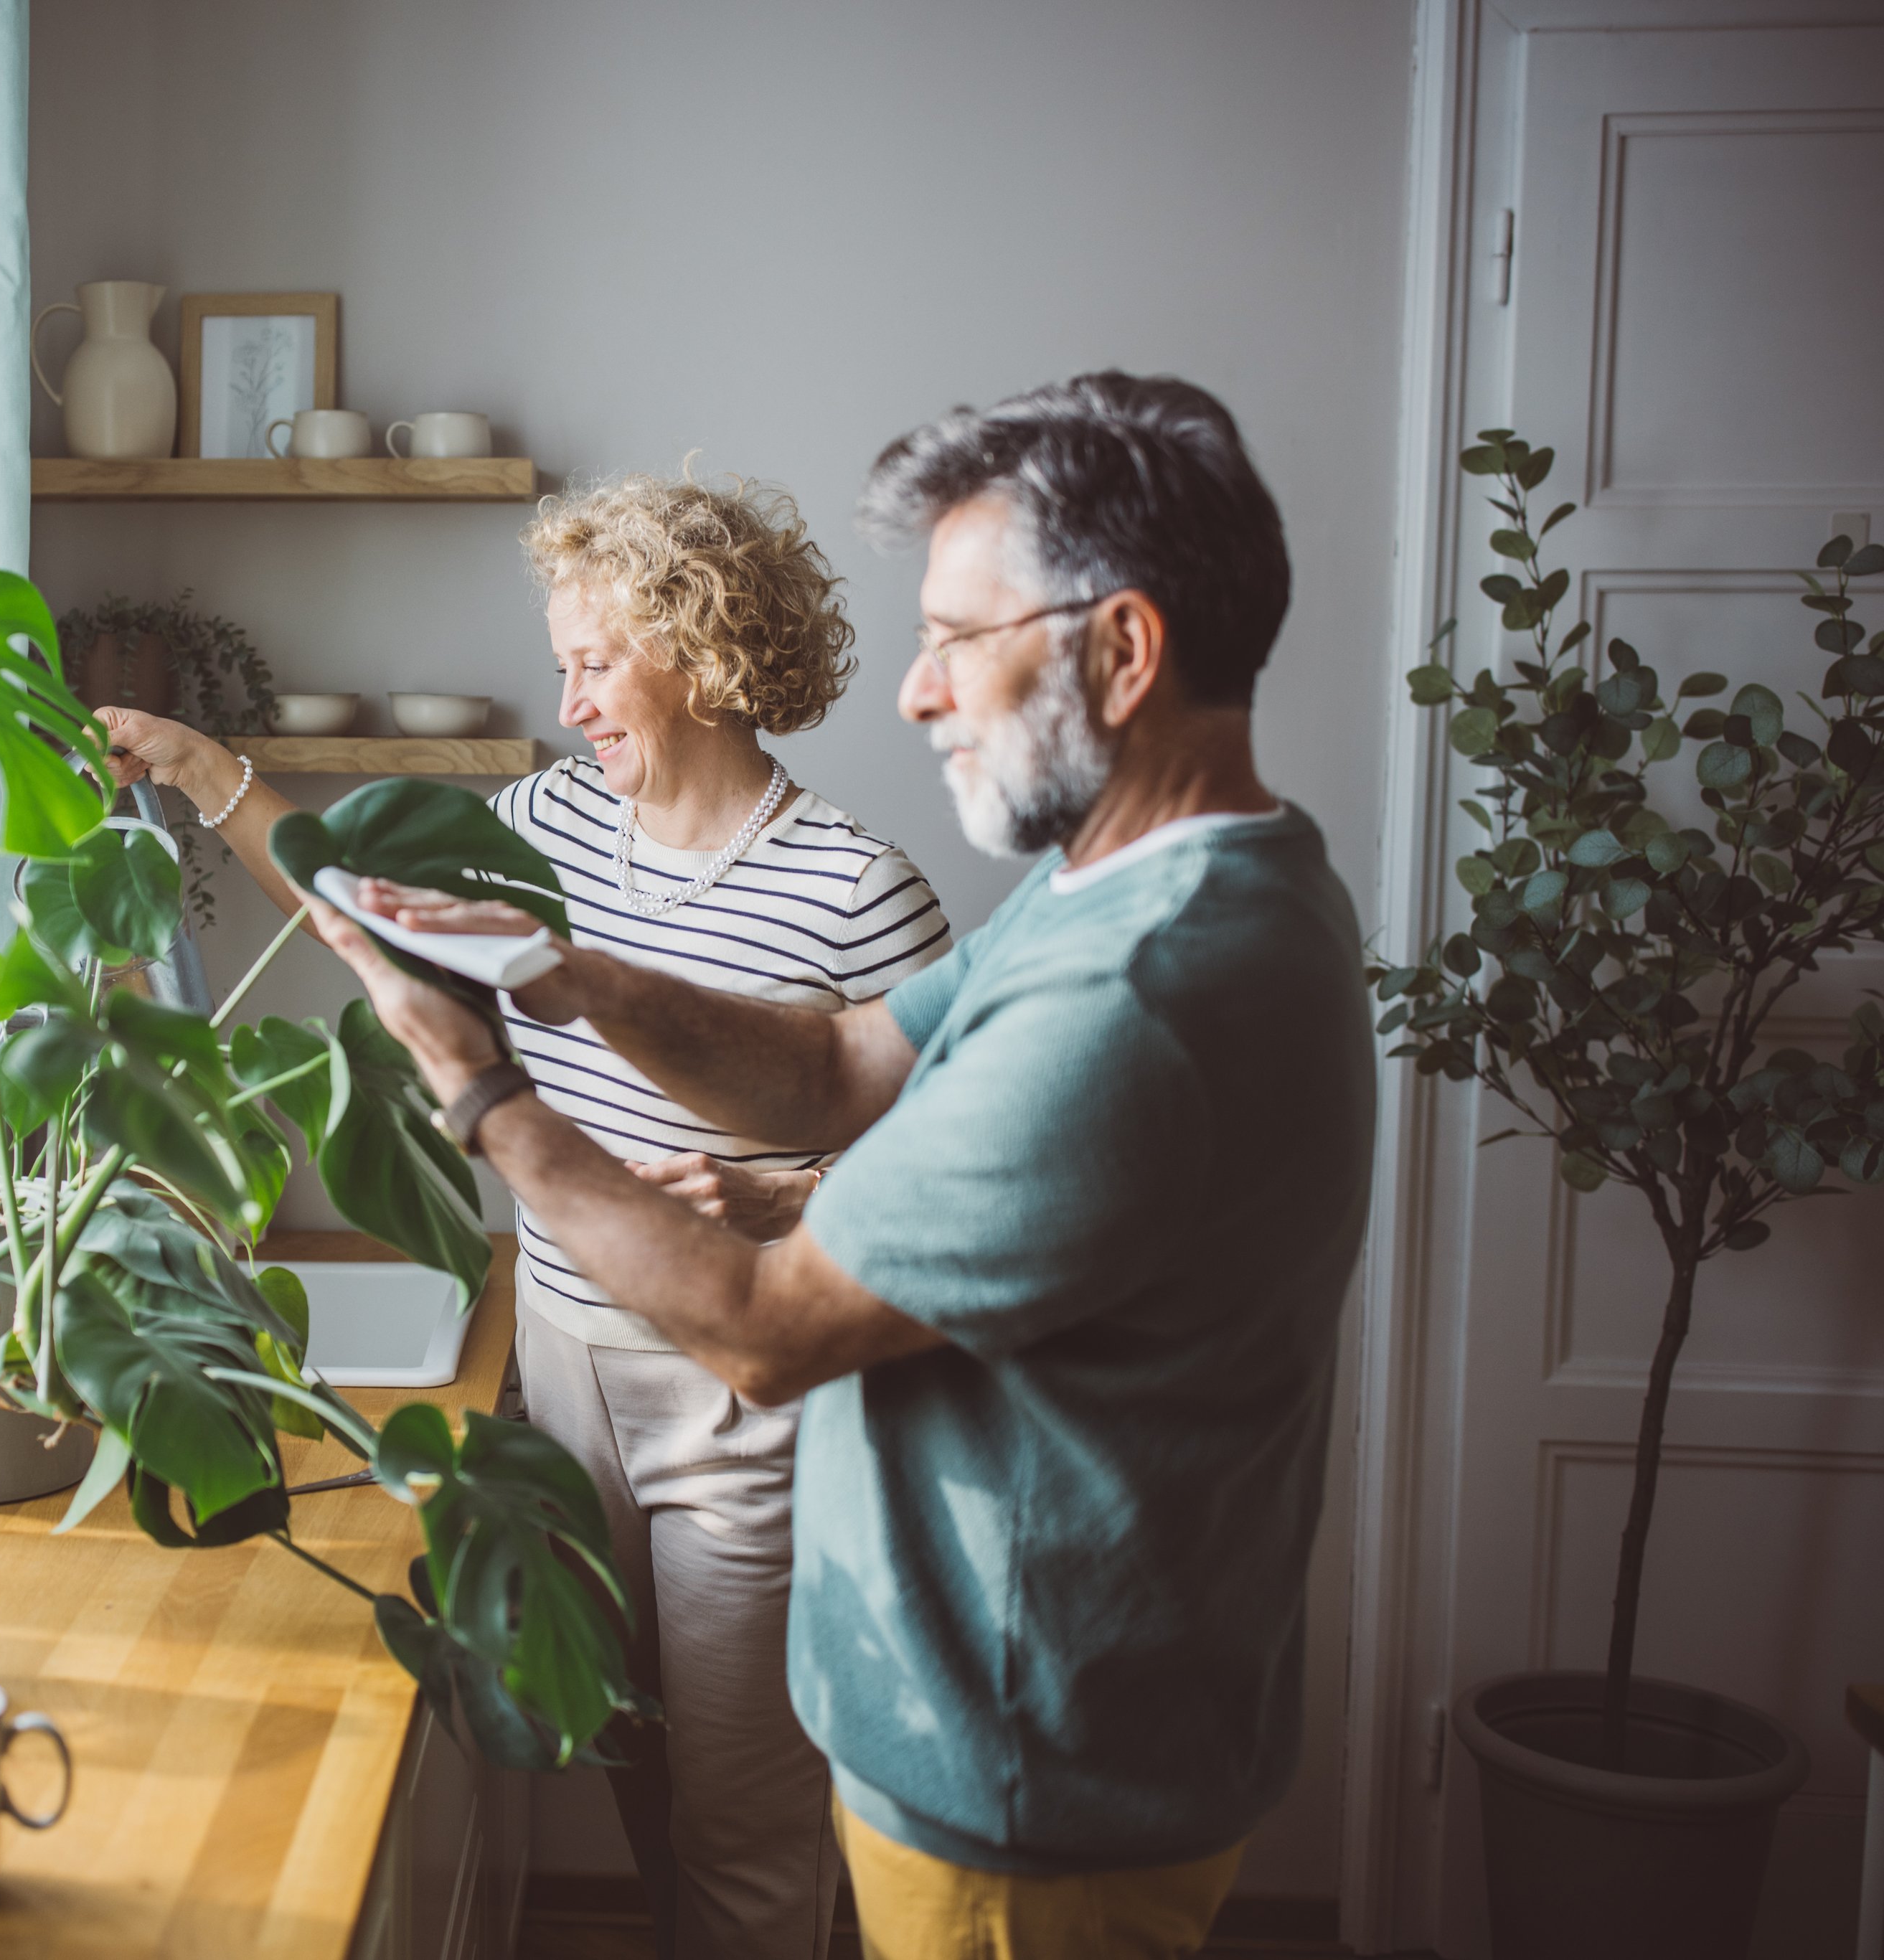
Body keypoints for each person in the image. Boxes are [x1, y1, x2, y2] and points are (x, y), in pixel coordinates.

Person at [302, 374, 1375, 1960]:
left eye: (957, 637)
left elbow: (763, 1328)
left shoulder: (1136, 990)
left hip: (1027, 1782)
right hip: (1031, 1737)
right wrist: (569, 974)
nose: (915, 693)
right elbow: (838, 1061)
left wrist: (481, 1093)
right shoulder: (1135, 891)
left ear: (1123, 648)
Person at [100, 471, 949, 1960]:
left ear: (698, 649)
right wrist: (195, 766)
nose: (567, 701)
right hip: (552, 1354)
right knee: (622, 1741)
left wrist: (781, 1190)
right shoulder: (543, 823)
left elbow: (947, 1174)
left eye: (596, 660)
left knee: (743, 1814)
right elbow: (356, 907)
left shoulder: (851, 888)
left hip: (739, 1395)